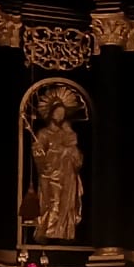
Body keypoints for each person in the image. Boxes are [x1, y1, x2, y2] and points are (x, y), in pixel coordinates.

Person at [31, 102, 83, 241]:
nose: (60, 115)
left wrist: (71, 151)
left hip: (67, 174)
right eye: (57, 112)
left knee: (67, 204)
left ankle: (63, 232)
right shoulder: (43, 133)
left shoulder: (66, 133)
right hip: (50, 174)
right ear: (51, 113)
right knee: (53, 203)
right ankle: (48, 232)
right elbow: (39, 156)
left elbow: (76, 156)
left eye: (62, 113)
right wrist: (40, 152)